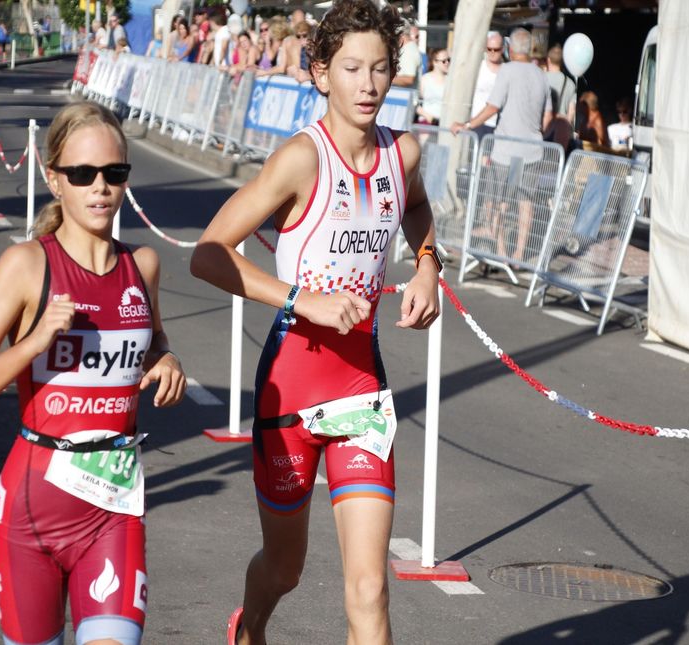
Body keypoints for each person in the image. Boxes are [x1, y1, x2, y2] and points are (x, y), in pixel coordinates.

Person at [189, 2, 440, 643]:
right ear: (321, 73)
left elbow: (414, 205)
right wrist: (304, 299)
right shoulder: (302, 159)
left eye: (381, 69)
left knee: (370, 588)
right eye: (352, 68)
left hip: (361, 389)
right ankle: (250, 630)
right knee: (284, 569)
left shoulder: (401, 152)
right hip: (290, 393)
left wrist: (428, 265)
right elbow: (208, 255)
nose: (368, 84)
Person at [0, 102, 186, 645]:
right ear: (55, 180)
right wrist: (33, 342)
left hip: (113, 508)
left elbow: (153, 339)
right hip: (31, 514)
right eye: (82, 175)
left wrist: (164, 358)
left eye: (114, 173)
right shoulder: (27, 266)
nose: (100, 188)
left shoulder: (141, 265)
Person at [450, 27, 553, 264]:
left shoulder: (507, 71)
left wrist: (468, 124)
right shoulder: (541, 75)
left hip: (507, 150)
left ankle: (501, 250)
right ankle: (518, 254)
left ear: (509, 48)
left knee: (500, 199)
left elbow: (492, 106)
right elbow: (547, 117)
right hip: (533, 149)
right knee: (526, 202)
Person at [470, 31, 505, 139]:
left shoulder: (507, 70)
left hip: (499, 125)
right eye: (489, 49)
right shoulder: (478, 67)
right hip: (477, 121)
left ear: (502, 49)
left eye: (496, 49)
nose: (492, 52)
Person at [544, 44, 577, 148]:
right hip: (560, 136)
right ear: (562, 62)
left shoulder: (541, 78)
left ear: (548, 60)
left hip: (542, 130)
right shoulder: (570, 83)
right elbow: (571, 115)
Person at [417, 48, 449, 125]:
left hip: (446, 124)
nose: (447, 63)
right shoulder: (425, 79)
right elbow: (414, 104)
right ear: (435, 62)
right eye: (444, 61)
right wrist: (429, 118)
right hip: (427, 123)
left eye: (449, 60)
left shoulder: (451, 80)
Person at [392, 22, 420, 88]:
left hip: (406, 96)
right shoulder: (406, 48)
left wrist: (385, 78)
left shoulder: (409, 50)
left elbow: (408, 79)